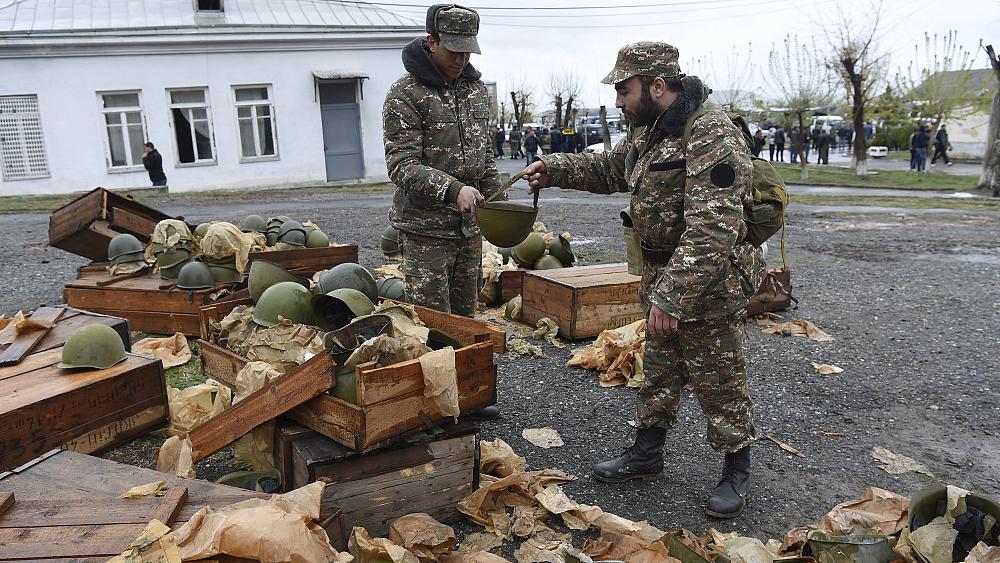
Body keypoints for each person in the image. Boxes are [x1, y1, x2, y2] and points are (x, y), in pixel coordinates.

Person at [522, 42, 765, 520]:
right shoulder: (648, 129)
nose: (618, 101)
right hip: (660, 271)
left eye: (623, 90)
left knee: (719, 376)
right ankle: (647, 452)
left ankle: (736, 468)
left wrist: (673, 299)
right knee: (658, 368)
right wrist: (554, 168)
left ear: (658, 85)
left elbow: (713, 229)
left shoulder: (711, 132)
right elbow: (611, 168)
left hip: (708, 280)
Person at [382, 4, 501, 318]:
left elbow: (484, 156)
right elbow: (401, 165)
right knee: (433, 326)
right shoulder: (405, 94)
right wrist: (454, 190)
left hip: (469, 232)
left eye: (467, 53)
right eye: (453, 51)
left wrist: (500, 201)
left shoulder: (475, 91)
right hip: (426, 235)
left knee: (465, 322)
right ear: (432, 42)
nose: (461, 60)